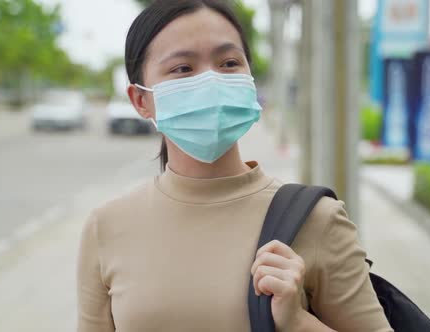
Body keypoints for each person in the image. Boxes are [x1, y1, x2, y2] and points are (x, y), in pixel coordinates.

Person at [76, 0, 393, 331]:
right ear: (140, 100)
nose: (211, 80)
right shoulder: (106, 228)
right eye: (183, 69)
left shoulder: (317, 219)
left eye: (228, 62)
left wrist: (297, 322)